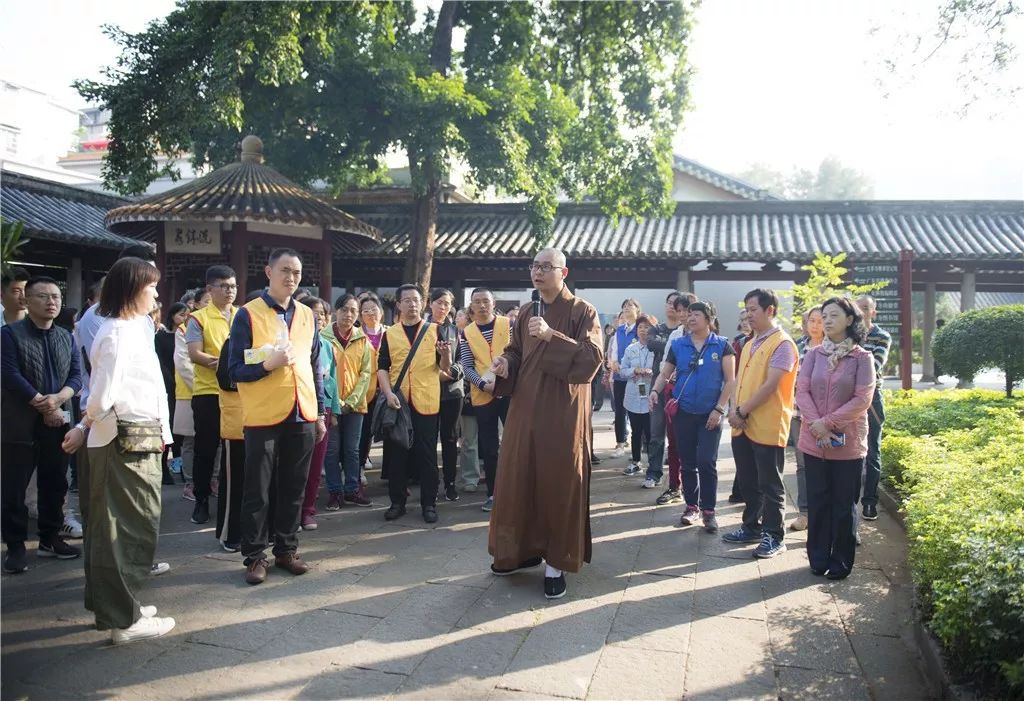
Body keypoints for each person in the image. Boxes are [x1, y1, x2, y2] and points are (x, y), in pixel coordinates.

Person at [60, 257, 175, 644]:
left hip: (130, 436)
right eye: (151, 287)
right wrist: (84, 424)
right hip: (123, 439)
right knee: (125, 528)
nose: (157, 294)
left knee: (121, 526)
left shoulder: (127, 329)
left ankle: (119, 608)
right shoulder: (117, 333)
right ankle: (123, 619)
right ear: (132, 290)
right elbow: (101, 397)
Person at [487, 248, 603, 600]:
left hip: (562, 411)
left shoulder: (583, 311)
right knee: (518, 477)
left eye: (545, 267)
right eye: (534, 266)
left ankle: (556, 563)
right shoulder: (525, 312)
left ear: (563, 272)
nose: (538, 272)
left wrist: (553, 336)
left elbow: (591, 359)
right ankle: (519, 551)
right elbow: (517, 351)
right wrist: (506, 362)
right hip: (525, 408)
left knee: (558, 481)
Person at [228, 248, 326, 585]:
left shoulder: (306, 315)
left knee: (294, 487)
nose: (291, 278)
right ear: (268, 272)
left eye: (297, 272)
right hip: (263, 414)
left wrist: (321, 412)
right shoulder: (246, 315)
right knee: (258, 488)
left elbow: (315, 366)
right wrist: (267, 365)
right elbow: (234, 370)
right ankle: (255, 555)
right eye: (284, 270)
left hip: (302, 412)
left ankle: (286, 548)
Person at [2, 276, 83, 573]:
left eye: (56, 297)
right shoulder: (9, 335)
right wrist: (42, 402)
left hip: (58, 419)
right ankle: (15, 546)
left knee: (55, 481)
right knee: (14, 486)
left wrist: (60, 398)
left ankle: (50, 538)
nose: (51, 302)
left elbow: (76, 375)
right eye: (43, 296)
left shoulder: (66, 336)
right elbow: (9, 375)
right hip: (19, 422)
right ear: (26, 300)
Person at [796, 297, 875, 579]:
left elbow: (862, 398)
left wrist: (827, 423)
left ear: (850, 320)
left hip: (848, 445)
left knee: (843, 506)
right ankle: (817, 558)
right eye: (824, 316)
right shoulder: (814, 354)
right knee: (817, 502)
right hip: (813, 442)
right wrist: (816, 426)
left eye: (833, 315)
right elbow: (801, 390)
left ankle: (841, 561)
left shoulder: (862, 358)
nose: (826, 321)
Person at [723, 288, 799, 559]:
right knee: (748, 481)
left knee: (770, 484)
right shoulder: (749, 342)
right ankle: (751, 526)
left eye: (753, 309)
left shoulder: (782, 344)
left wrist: (741, 410)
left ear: (770, 311)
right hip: (741, 422)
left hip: (766, 423)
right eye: (746, 309)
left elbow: (771, 385)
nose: (748, 314)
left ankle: (774, 536)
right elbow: (738, 383)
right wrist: (734, 409)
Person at [652, 301, 736, 533]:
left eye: (695, 314)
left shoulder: (722, 345)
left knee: (706, 462)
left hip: (711, 414)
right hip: (684, 413)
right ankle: (691, 507)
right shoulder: (678, 345)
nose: (690, 318)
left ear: (708, 318)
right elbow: (665, 374)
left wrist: (719, 410)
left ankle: (709, 511)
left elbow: (730, 380)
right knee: (688, 463)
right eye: (688, 314)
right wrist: (654, 391)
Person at [376, 284, 452, 524]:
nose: (412, 304)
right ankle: (397, 502)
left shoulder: (435, 330)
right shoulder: (390, 333)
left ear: (423, 303)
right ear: (398, 304)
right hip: (399, 402)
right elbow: (382, 367)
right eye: (406, 300)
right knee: (397, 454)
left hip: (427, 400)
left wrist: (447, 355)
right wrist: (388, 394)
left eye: (416, 300)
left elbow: (445, 369)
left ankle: (429, 503)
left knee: (427, 454)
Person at [186, 265, 238, 525]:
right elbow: (195, 354)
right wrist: (228, 363)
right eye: (224, 286)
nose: (230, 291)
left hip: (238, 394)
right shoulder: (198, 318)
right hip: (208, 393)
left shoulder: (242, 315)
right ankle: (202, 499)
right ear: (210, 289)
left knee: (236, 449)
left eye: (233, 286)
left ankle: (229, 498)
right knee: (206, 450)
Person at [460, 287, 512, 512]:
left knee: (514, 444)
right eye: (477, 302)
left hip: (511, 392)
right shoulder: (467, 333)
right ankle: (492, 494)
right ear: (471, 306)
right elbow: (467, 366)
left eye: (485, 301)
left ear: (493, 303)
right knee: (490, 448)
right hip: (483, 394)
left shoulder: (508, 325)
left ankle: (516, 492)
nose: (482, 305)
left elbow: (519, 353)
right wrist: (482, 384)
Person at [320, 294, 373, 511]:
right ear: (335, 311)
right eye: (344, 309)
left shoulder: (363, 339)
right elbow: (322, 374)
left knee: (352, 449)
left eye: (353, 310)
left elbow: (366, 373)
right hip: (330, 405)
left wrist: (351, 400)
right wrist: (335, 402)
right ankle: (334, 492)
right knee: (331, 450)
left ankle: (353, 489)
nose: (348, 314)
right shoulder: (323, 338)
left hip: (355, 405)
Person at [642, 291, 683, 491]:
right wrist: (674, 343)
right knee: (656, 431)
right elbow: (650, 343)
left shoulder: (687, 331)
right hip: (659, 383)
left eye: (676, 304)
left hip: (680, 386)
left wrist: (668, 343)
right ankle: (654, 471)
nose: (672, 307)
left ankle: (678, 476)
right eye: (669, 303)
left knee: (679, 434)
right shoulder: (657, 329)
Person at [855, 295, 891, 522]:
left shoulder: (882, 336)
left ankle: (869, 503)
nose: (862, 312)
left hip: (872, 397)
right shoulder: (848, 335)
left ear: (873, 312)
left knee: (872, 452)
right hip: (847, 397)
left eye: (866, 308)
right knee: (849, 450)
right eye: (858, 308)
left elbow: (874, 367)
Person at [789, 306, 824, 532]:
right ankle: (805, 513)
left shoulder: (834, 348)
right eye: (812, 320)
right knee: (802, 466)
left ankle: (826, 514)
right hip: (798, 413)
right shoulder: (798, 346)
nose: (815, 325)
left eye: (820, 320)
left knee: (828, 465)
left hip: (824, 416)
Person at [429, 288, 465, 502]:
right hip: (429, 391)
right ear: (430, 304)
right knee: (429, 439)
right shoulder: (423, 329)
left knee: (450, 439)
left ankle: (450, 483)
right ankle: (430, 482)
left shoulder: (455, 331)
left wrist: (451, 373)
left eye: (447, 303)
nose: (443, 307)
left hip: (452, 392)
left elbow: (462, 360)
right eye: (439, 302)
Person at [214, 338, 245, 552]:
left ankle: (264, 531)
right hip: (238, 424)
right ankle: (231, 533)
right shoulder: (233, 342)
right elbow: (226, 379)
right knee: (235, 481)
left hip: (269, 420)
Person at [155, 303, 188, 486]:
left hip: (184, 387)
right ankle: (164, 469)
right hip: (168, 387)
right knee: (167, 427)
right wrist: (171, 380)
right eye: (181, 314)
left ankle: (179, 466)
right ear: (173, 315)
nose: (184, 318)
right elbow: (160, 362)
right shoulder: (162, 337)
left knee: (180, 433)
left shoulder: (187, 335)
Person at [620, 315, 656, 477]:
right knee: (636, 431)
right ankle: (635, 462)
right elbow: (622, 371)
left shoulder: (657, 349)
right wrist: (634, 371)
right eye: (640, 327)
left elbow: (665, 369)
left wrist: (651, 372)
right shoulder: (631, 349)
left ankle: (653, 465)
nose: (643, 330)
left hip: (651, 396)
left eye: (647, 327)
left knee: (651, 432)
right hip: (634, 396)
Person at [357, 294, 386, 475]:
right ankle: (359, 468)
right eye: (365, 311)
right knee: (364, 432)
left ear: (381, 313)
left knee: (390, 432)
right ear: (360, 316)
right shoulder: (357, 335)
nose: (370, 314)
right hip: (364, 391)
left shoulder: (390, 332)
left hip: (386, 389)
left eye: (373, 310)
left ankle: (391, 472)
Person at [607, 299, 641, 456]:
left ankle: (640, 444)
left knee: (638, 410)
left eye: (630, 306)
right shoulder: (619, 330)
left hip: (637, 377)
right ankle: (620, 443)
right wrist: (613, 362)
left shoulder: (641, 329)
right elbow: (614, 349)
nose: (627, 309)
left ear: (637, 310)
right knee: (620, 410)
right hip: (620, 376)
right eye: (624, 307)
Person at [172, 304, 198, 500]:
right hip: (190, 392)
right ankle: (190, 482)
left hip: (219, 392)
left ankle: (213, 479)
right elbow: (183, 363)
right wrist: (202, 386)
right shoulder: (184, 329)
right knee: (191, 440)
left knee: (218, 443)